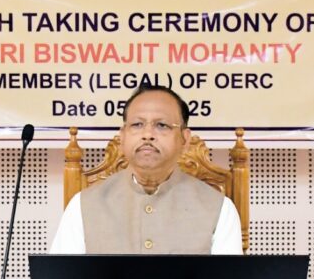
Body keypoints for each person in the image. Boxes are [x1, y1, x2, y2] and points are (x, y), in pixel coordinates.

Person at [50, 84, 243, 254]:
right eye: (137, 124)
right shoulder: (83, 206)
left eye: (161, 125)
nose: (148, 134)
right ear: (122, 136)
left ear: (185, 139)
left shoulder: (219, 208)